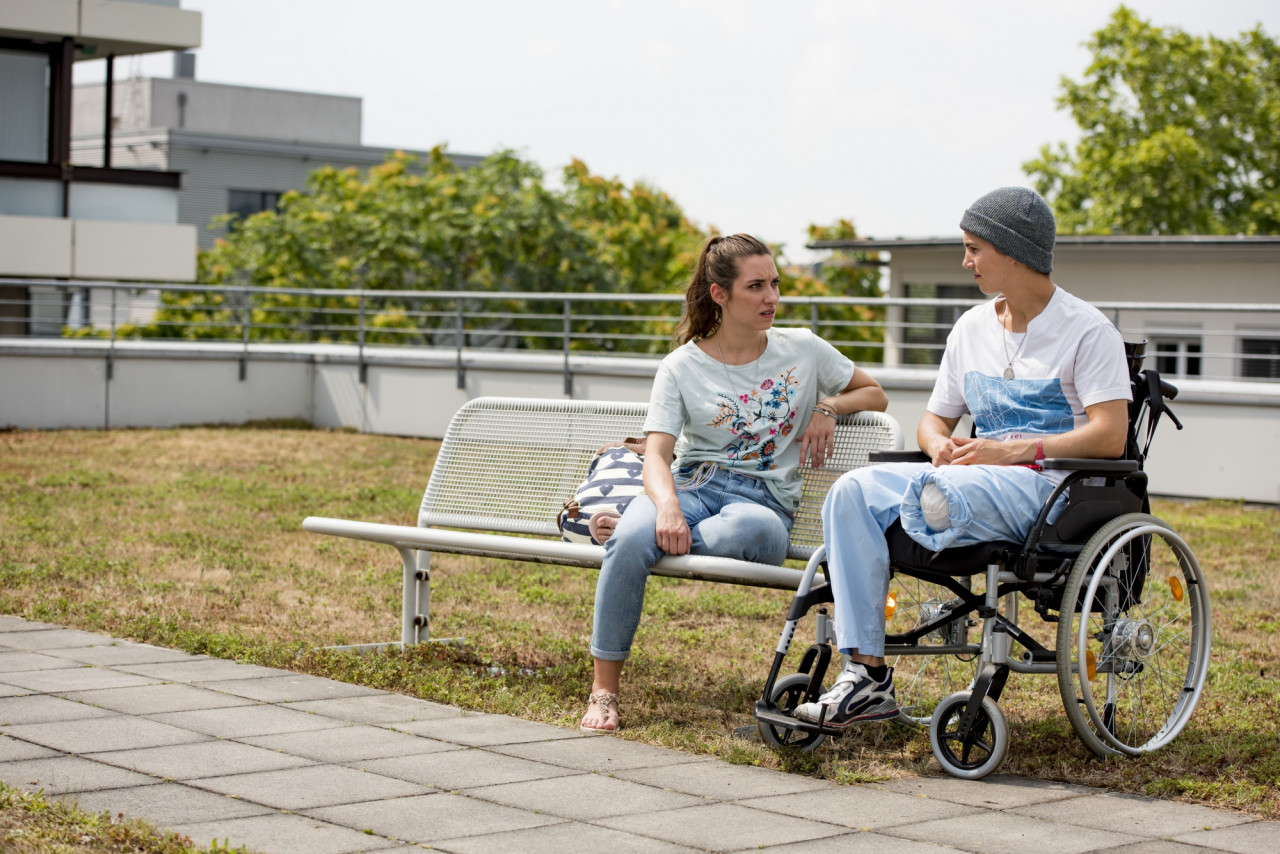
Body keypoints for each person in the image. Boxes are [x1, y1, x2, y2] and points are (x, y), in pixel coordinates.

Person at [794, 187, 1132, 728]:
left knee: (941, 493)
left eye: (975, 248)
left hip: (1051, 491)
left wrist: (1016, 449)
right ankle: (867, 676)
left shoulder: (1088, 331)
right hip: (968, 477)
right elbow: (934, 420)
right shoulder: (971, 328)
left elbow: (1111, 435)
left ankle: (930, 508)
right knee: (851, 491)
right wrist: (937, 446)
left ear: (1013, 251)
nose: (965, 260)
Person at [580, 233, 889, 732]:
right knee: (633, 538)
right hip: (694, 485)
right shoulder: (682, 365)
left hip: (764, 502)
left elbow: (874, 393)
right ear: (720, 294)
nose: (772, 297)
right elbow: (657, 455)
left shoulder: (803, 349)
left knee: (749, 531)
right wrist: (667, 508)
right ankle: (604, 692)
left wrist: (828, 406)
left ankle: (632, 536)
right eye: (756, 286)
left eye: (775, 284)